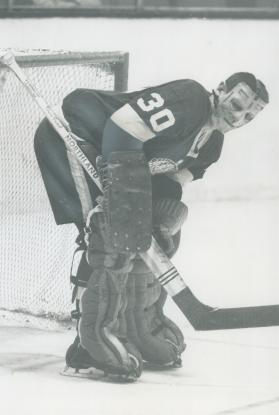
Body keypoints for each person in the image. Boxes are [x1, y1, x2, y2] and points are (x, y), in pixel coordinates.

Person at [34, 72, 268, 380]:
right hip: (74, 138)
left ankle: (133, 327)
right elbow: (121, 127)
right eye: (237, 105)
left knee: (157, 228)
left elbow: (168, 186)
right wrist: (123, 194)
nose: (238, 118)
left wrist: (158, 225)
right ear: (221, 89)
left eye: (249, 116)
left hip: (113, 158)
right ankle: (85, 344)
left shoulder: (212, 145)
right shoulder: (190, 98)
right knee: (106, 234)